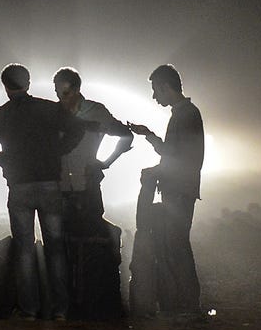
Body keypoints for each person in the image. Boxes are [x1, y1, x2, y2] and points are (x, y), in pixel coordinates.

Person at [0, 63, 84, 320]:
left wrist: (3, 160)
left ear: (5, 86)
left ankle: (29, 309)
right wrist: (58, 151)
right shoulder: (49, 109)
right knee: (55, 249)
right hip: (49, 184)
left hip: (19, 186)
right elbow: (77, 129)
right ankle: (61, 310)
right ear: (28, 82)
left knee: (24, 250)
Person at [127, 64, 204, 316]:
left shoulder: (185, 114)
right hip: (181, 188)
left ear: (165, 86)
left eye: (155, 90)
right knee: (176, 245)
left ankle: (188, 305)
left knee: (176, 245)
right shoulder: (186, 113)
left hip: (179, 190)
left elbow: (175, 156)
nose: (154, 96)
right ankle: (186, 303)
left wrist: (150, 140)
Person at [53, 67, 134, 230]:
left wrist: (107, 162)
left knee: (92, 235)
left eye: (65, 93)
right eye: (57, 93)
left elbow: (126, 135)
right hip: (60, 187)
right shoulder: (54, 113)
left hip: (87, 183)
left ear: (76, 90)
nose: (61, 98)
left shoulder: (96, 111)